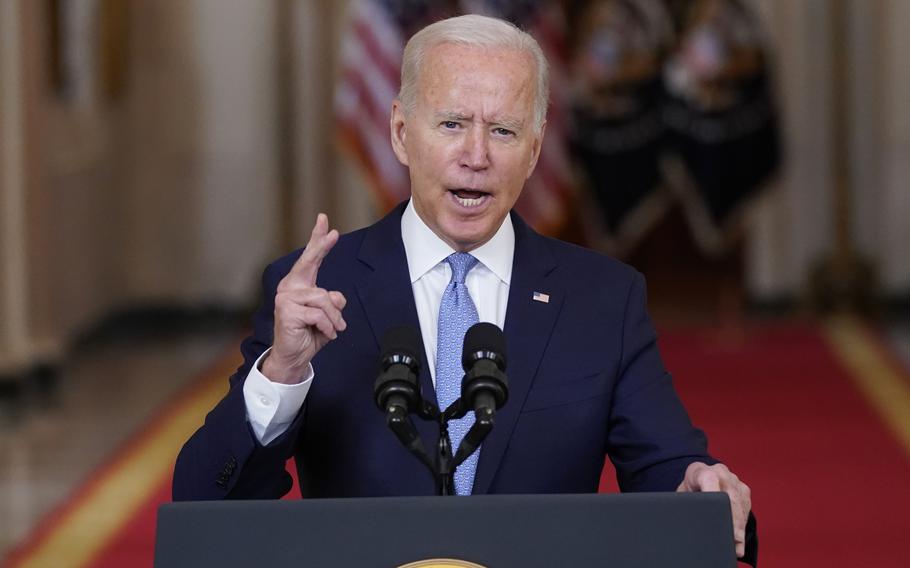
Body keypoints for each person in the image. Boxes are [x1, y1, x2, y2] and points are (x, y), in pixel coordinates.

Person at [173, 14, 754, 562]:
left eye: (502, 130)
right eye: (452, 124)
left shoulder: (603, 298)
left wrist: (700, 486)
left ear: (534, 149)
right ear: (401, 133)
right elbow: (205, 506)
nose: (475, 156)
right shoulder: (316, 289)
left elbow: (670, 468)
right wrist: (280, 373)